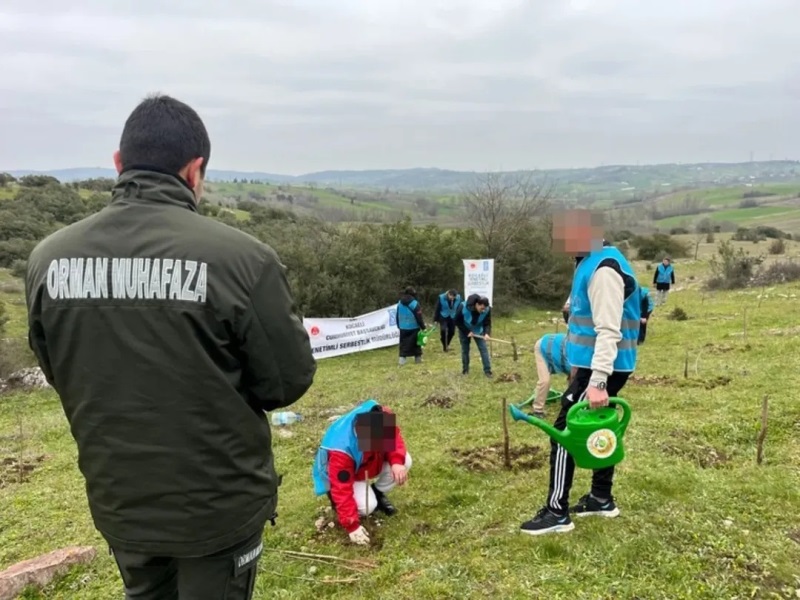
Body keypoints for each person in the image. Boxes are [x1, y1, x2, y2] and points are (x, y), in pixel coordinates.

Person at [24, 94, 317, 599]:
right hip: (219, 507)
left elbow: (60, 370)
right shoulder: (244, 260)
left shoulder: (47, 260)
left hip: (121, 503)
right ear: (195, 169)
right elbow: (285, 383)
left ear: (119, 162)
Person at [520, 209, 640, 536]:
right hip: (594, 365)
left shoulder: (604, 269)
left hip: (603, 367)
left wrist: (598, 380)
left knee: (564, 433)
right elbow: (582, 322)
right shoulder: (588, 261)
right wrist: (578, 363)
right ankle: (601, 498)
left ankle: (556, 511)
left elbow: (608, 330)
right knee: (601, 425)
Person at [312, 400, 412, 546]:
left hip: (368, 464)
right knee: (367, 507)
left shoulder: (380, 415)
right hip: (345, 475)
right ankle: (337, 504)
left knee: (405, 461)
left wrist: (396, 461)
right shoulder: (342, 451)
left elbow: (394, 438)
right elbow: (341, 488)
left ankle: (377, 493)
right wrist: (352, 526)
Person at [530, 333, 571, 418]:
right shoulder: (577, 357)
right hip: (543, 347)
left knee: (575, 381)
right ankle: (537, 410)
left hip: (559, 354)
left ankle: (570, 404)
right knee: (545, 381)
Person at [454, 294, 493, 378]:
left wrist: (487, 333)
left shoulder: (487, 309)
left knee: (484, 349)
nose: (483, 310)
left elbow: (487, 323)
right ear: (477, 304)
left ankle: (488, 371)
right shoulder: (462, 306)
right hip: (464, 328)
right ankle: (465, 371)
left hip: (478, 330)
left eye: (484, 308)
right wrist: (467, 331)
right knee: (465, 350)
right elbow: (457, 321)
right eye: (481, 308)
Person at [396, 287, 426, 365]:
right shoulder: (415, 303)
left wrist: (398, 325)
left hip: (403, 327)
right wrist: (423, 327)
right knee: (416, 344)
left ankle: (402, 361)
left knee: (403, 344)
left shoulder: (399, 303)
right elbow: (419, 317)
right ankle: (418, 360)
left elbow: (397, 315)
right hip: (414, 326)